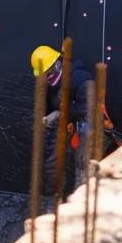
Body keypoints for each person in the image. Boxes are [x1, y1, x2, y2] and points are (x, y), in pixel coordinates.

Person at [31, 45, 95, 193]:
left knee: (82, 163)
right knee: (52, 163)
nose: (44, 78)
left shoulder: (81, 80)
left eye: (47, 73)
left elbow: (89, 113)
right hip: (67, 128)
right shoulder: (51, 86)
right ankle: (53, 198)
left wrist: (61, 115)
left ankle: (81, 200)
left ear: (57, 65)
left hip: (86, 127)